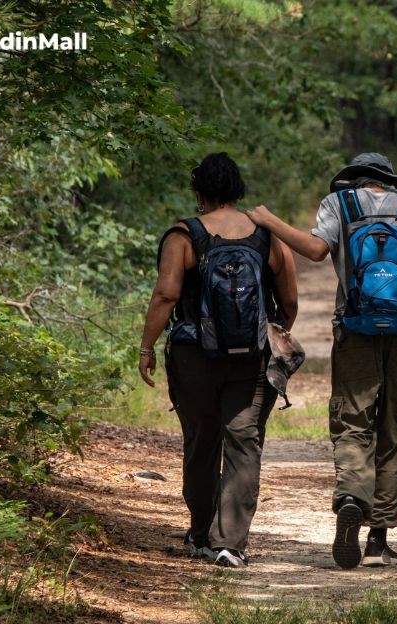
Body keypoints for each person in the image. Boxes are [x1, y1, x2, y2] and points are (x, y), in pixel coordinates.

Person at [244, 153, 397, 569]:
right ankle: (377, 541)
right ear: (389, 180)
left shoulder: (339, 204)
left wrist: (269, 220)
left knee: (353, 421)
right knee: (396, 427)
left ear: (353, 179)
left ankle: (351, 497)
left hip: (354, 329)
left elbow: (316, 250)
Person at [138, 153, 298, 567]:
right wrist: (265, 332)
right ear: (237, 189)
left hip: (194, 356)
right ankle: (229, 543)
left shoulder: (183, 235)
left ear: (199, 192)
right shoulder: (267, 236)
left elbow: (166, 295)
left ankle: (200, 533)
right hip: (252, 359)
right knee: (244, 444)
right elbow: (289, 302)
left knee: (202, 441)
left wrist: (147, 347)